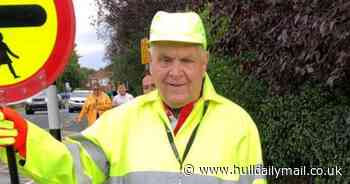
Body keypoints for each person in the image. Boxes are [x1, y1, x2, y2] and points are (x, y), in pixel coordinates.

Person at [0, 11, 266, 184]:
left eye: (186, 60)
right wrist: (26, 139)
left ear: (204, 63)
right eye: (164, 59)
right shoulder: (120, 121)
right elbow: (72, 169)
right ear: (150, 62)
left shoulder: (238, 125)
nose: (175, 72)